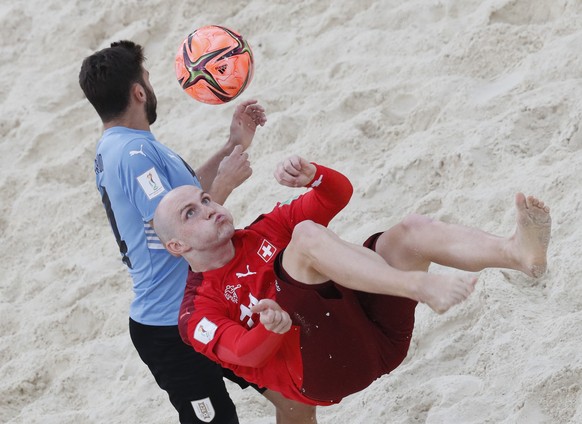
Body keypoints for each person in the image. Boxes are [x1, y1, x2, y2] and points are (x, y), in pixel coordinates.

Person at [153, 154, 552, 406]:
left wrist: (315, 176)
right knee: (307, 237)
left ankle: (517, 254)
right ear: (175, 246)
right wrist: (272, 327)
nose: (208, 208)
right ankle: (418, 286)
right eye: (190, 213)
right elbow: (245, 355)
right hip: (326, 372)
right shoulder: (195, 309)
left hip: (376, 336)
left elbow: (336, 196)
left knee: (409, 233)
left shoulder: (262, 229)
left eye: (205, 200)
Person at [79, 40, 314, 424]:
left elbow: (185, 198)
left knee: (297, 399)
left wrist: (232, 145)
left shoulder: (123, 147)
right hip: (171, 325)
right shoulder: (134, 156)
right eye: (149, 80)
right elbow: (176, 235)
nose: (152, 88)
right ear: (139, 92)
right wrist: (227, 184)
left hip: (210, 300)